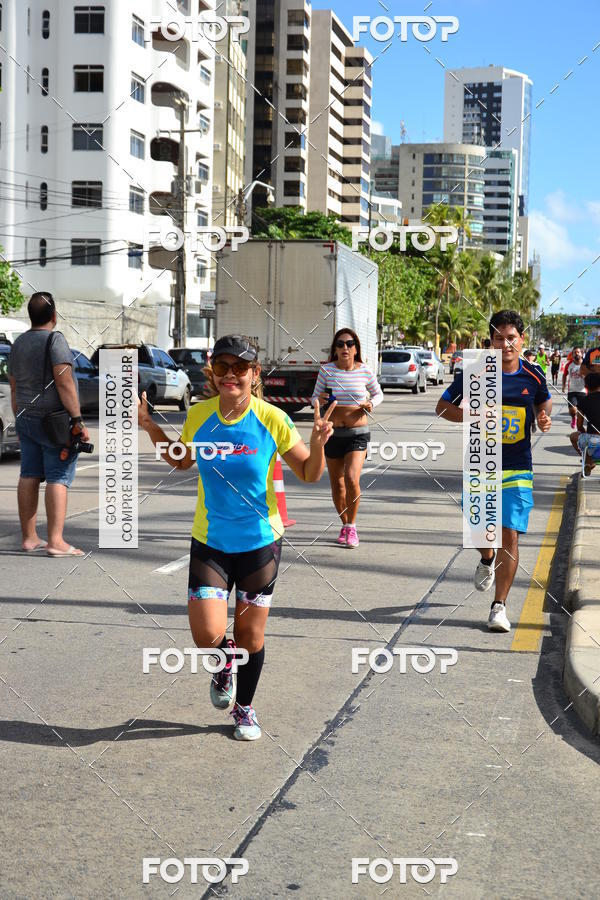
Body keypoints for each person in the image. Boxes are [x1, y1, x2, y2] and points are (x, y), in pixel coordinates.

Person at [137, 334, 334, 741]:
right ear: (213, 373)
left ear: (254, 373)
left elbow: (310, 473)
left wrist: (317, 444)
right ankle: (224, 661)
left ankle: (244, 708)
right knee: (207, 635)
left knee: (251, 636)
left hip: (260, 543)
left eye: (240, 368)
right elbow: (181, 461)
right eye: (223, 367)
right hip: (211, 540)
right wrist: (150, 426)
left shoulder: (272, 419)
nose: (231, 375)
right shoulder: (199, 414)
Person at [436, 310, 552, 633]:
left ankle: (498, 606)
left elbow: (543, 402)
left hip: (517, 467)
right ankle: (486, 557)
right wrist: (472, 416)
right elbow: (442, 407)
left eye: (511, 337)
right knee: (480, 532)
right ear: (490, 341)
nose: (505, 344)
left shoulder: (534, 375)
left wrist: (543, 417)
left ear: (522, 339)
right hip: (480, 463)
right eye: (499, 338)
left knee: (509, 534)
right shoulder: (475, 373)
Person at [8, 292, 90, 556]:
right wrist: (77, 420)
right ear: (54, 316)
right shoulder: (56, 340)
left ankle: (29, 538)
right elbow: (64, 382)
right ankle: (56, 541)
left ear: (31, 315)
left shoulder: (18, 343)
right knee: (58, 476)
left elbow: (14, 387)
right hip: (54, 421)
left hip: (25, 417)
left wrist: (19, 419)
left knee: (29, 474)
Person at [311, 327, 383, 548]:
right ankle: (345, 524)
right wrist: (319, 400)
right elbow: (313, 398)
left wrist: (371, 403)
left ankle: (352, 527)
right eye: (340, 344)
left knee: (352, 478)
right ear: (335, 349)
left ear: (356, 349)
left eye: (350, 344)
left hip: (357, 434)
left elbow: (379, 393)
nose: (345, 347)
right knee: (338, 484)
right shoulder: (326, 371)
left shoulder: (365, 371)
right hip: (332, 434)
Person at [569, 373, 600, 476]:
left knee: (573, 436)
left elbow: (579, 426)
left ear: (586, 386)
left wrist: (585, 432)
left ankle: (588, 461)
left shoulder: (583, 401)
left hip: (592, 440)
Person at [562, 347, 586, 429]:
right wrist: (563, 385)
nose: (576, 354)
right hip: (572, 391)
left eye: (578, 352)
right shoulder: (569, 365)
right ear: (572, 355)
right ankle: (573, 417)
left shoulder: (585, 364)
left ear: (581, 354)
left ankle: (580, 429)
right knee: (572, 410)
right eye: (574, 352)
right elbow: (564, 375)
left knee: (581, 413)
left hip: (583, 391)